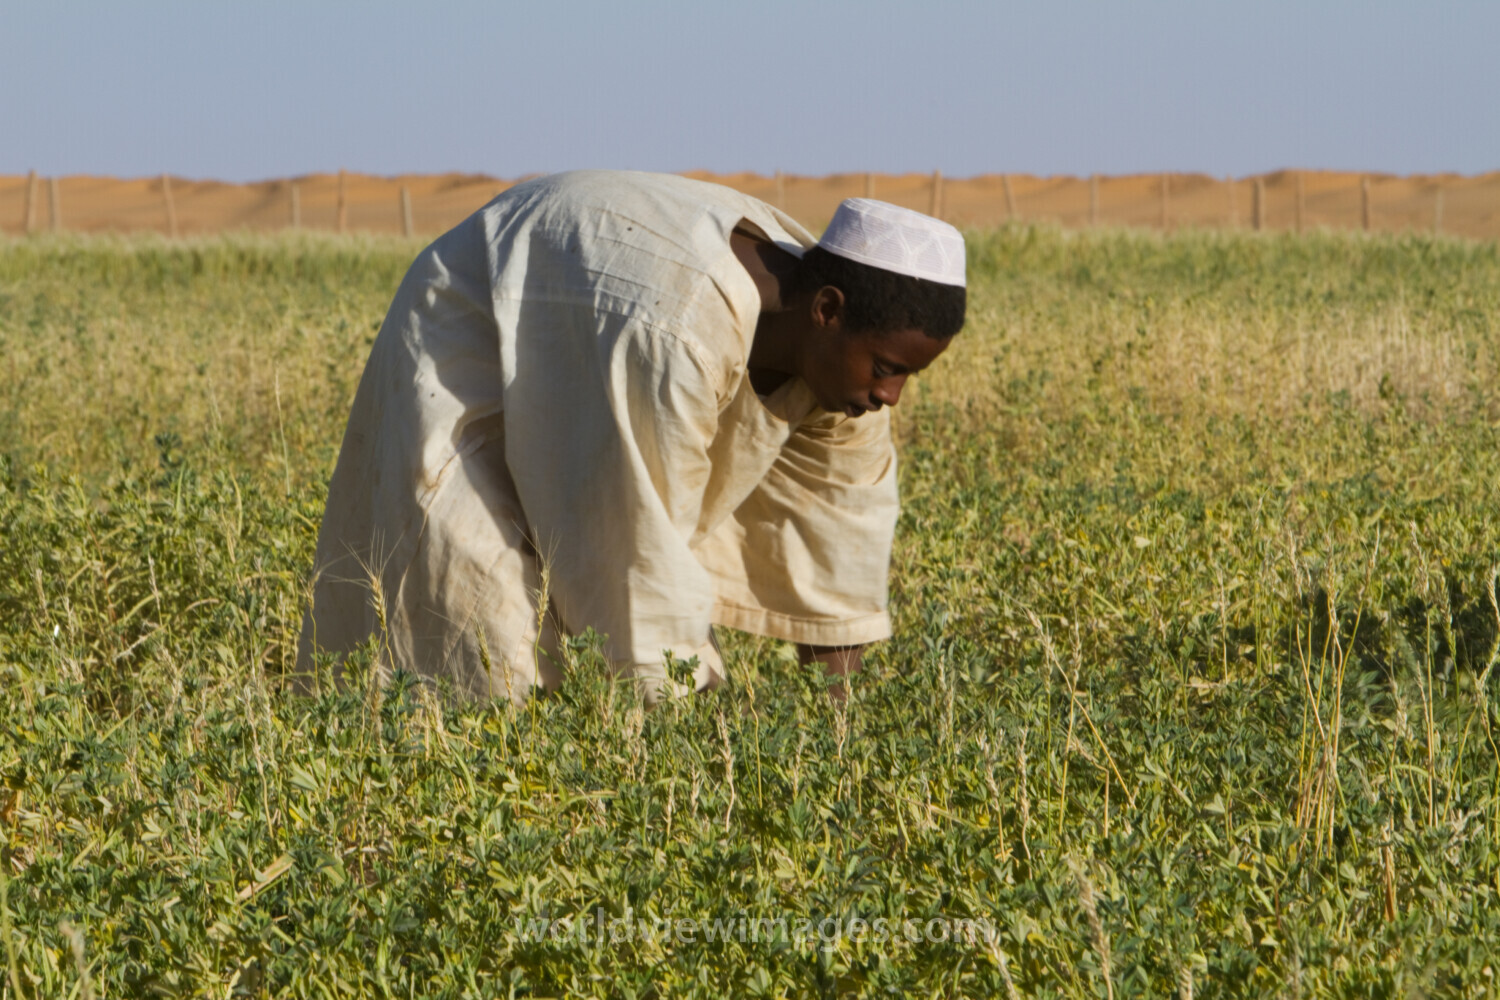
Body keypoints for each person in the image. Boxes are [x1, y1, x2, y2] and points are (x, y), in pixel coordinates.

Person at [295, 170, 965, 705]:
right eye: (887, 369)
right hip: (478, 328)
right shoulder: (678, 331)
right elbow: (634, 548)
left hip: (601, 319)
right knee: (489, 632)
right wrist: (693, 733)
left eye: (907, 375)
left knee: (584, 637)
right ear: (826, 311)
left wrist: (838, 737)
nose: (889, 395)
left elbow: (840, 547)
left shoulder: (845, 375)